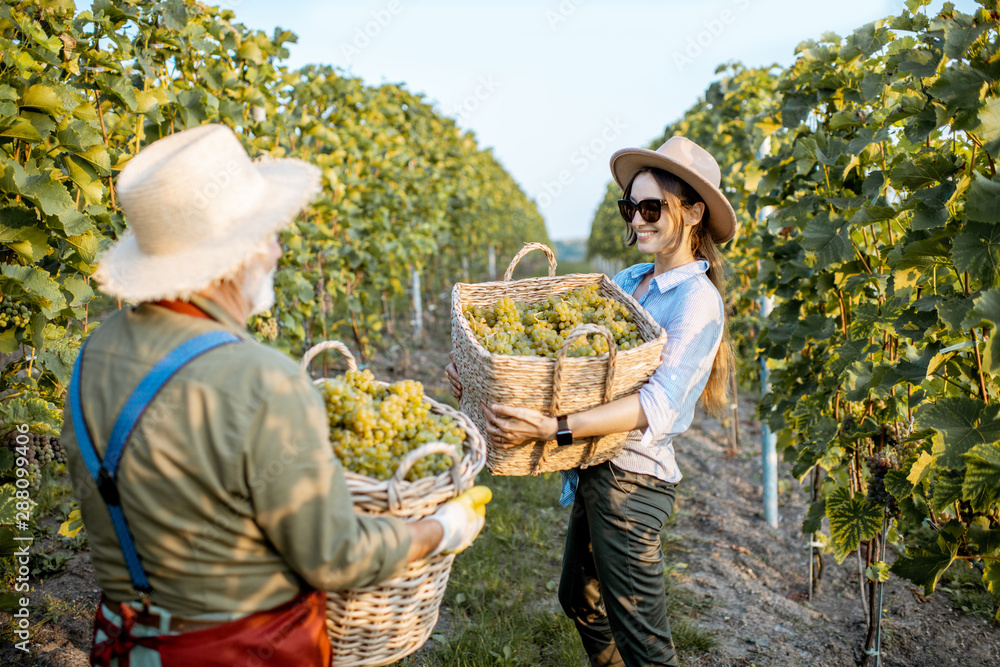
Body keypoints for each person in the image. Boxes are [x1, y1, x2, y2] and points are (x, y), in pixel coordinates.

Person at [62, 124, 489, 667]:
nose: (278, 249)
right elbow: (336, 558)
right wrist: (439, 530)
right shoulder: (260, 378)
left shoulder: (95, 352)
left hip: (126, 644)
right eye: (267, 234)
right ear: (234, 256)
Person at [446, 136, 736, 667]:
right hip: (594, 463)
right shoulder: (628, 280)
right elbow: (568, 364)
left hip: (632, 483)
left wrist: (554, 428)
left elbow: (656, 404)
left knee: (645, 644)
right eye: (631, 207)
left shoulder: (698, 301)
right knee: (578, 599)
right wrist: (482, 376)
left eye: (652, 208)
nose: (638, 219)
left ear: (694, 212)